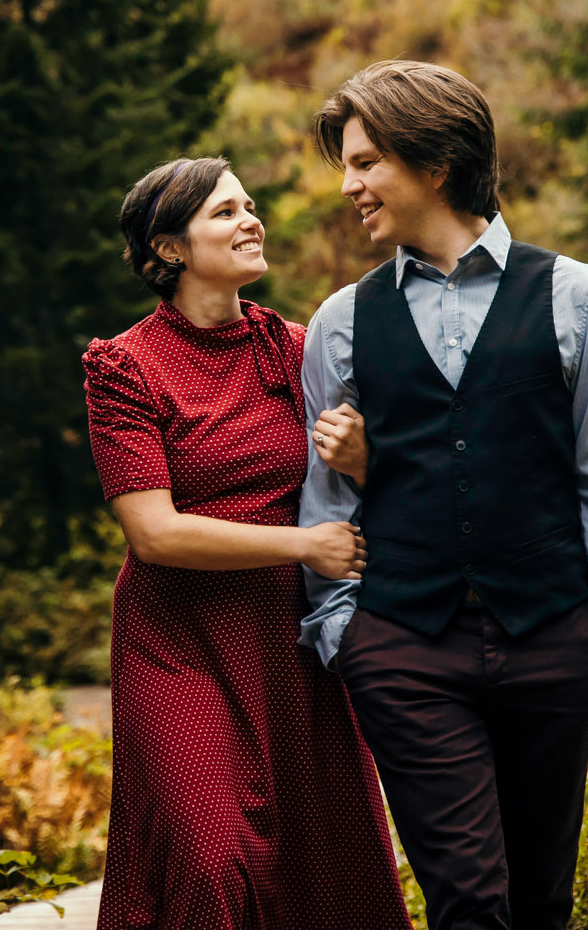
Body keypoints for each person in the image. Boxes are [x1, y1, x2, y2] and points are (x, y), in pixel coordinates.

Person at [298, 60, 588, 930]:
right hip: (405, 647)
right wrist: (345, 631)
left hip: (555, 638)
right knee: (469, 902)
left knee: (541, 899)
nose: (349, 186)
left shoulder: (576, 295)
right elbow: (325, 500)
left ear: (437, 161)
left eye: (367, 161)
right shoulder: (341, 321)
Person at [81, 155, 414, 930]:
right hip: (177, 641)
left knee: (325, 854)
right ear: (168, 248)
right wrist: (304, 545)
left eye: (250, 205)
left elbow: (380, 475)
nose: (251, 220)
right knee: (211, 854)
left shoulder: (296, 347)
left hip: (289, 640)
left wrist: (366, 457)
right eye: (225, 212)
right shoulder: (122, 367)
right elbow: (154, 533)